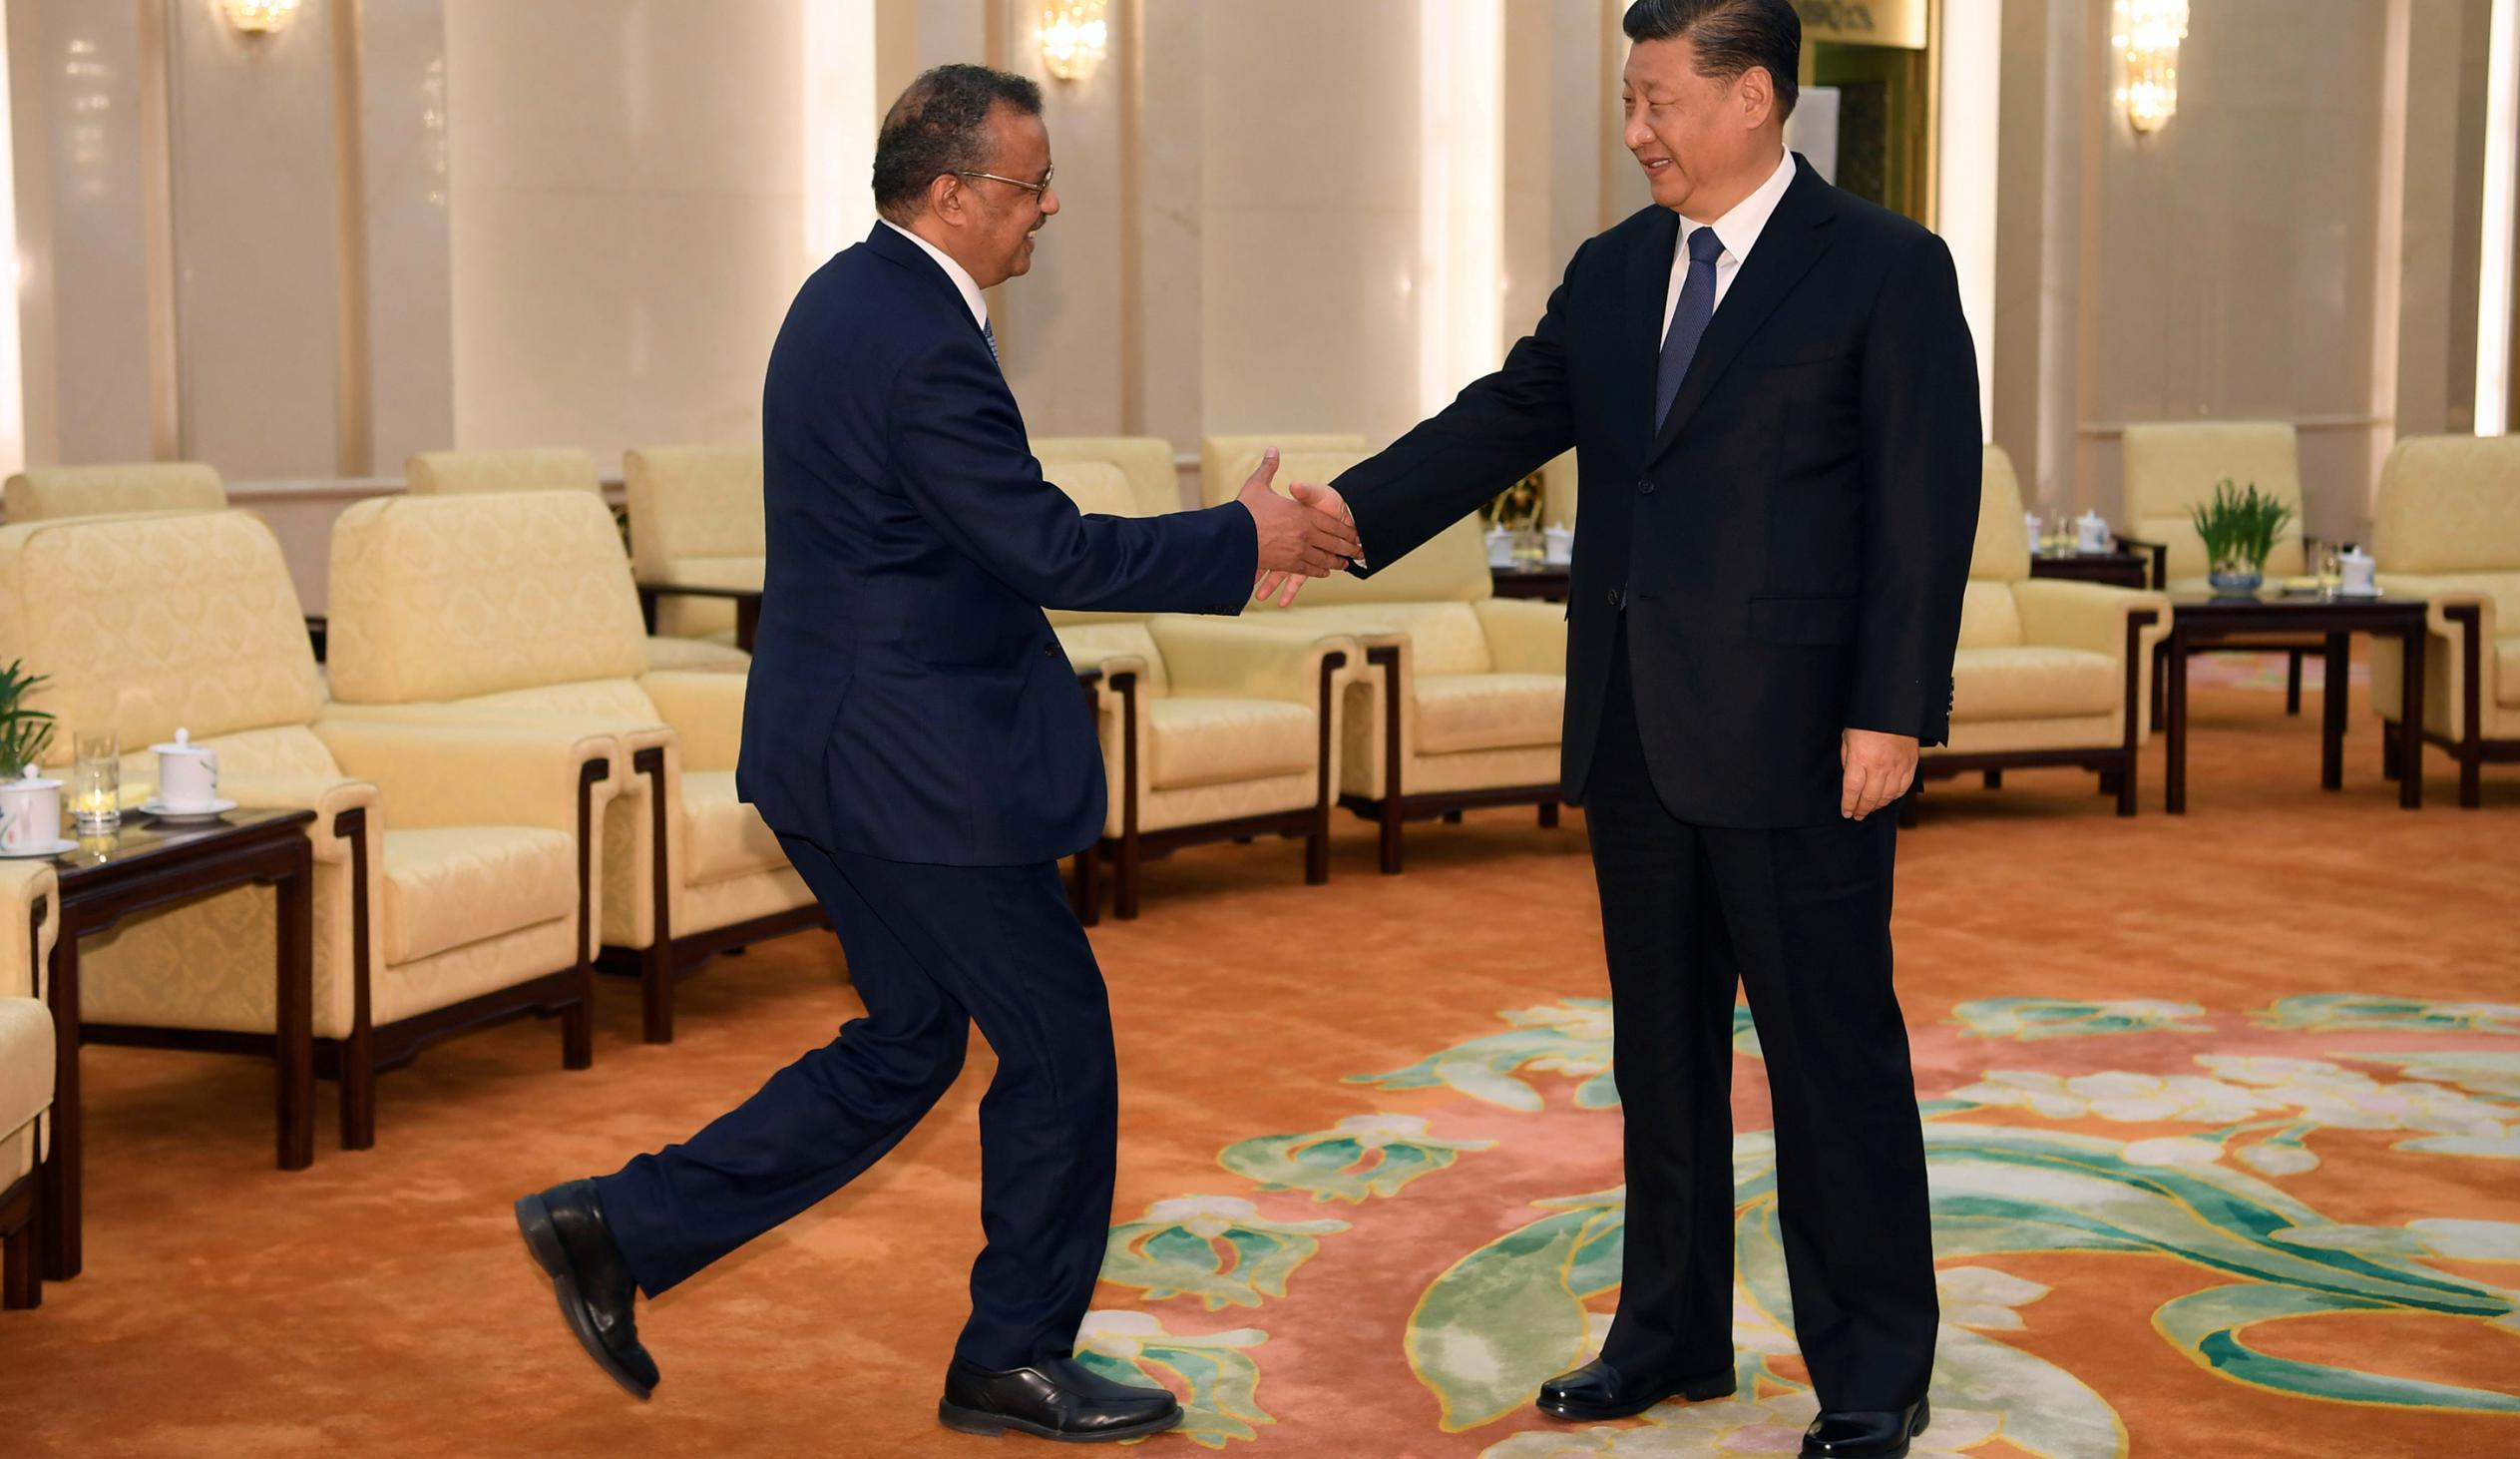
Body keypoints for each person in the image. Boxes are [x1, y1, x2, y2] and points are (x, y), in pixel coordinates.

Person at [511, 64, 1358, 1446]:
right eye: (1030, 186)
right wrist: (1236, 537)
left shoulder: (854, 298)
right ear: (955, 193)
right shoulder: (919, 340)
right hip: (910, 772)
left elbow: (962, 546)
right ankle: (1013, 1355)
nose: (1049, 209)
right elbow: (1044, 544)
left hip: (844, 752)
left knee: (909, 1041)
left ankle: (620, 1222)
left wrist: (1220, 539)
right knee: (1062, 1046)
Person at [1300, 3, 1979, 1455]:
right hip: (1634, 730)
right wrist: (1349, 515)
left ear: (1748, 97)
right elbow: (1500, 420)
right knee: (1657, 1057)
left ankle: (1873, 1369)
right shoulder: (1614, 274)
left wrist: (1893, 709)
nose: (1635, 132)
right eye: (1628, 100)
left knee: (1829, 1056)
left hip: (1806, 740)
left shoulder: (1884, 268)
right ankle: (1668, 1331)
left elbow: (1927, 508)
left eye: (1656, 100)